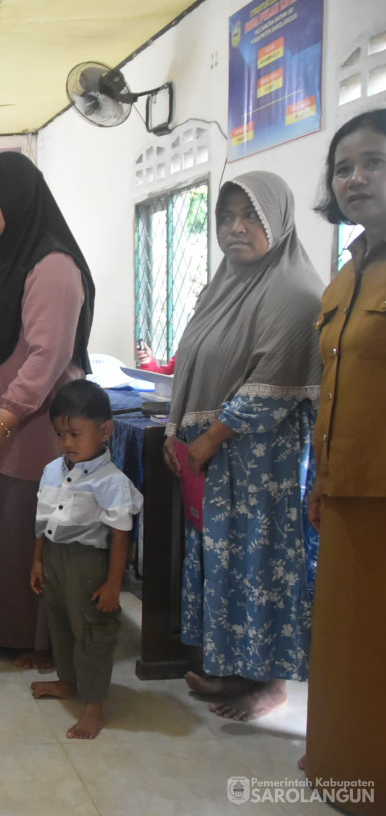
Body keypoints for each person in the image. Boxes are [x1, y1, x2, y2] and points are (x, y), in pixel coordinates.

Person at [162, 171, 322, 722]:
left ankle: (270, 684)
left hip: (259, 462)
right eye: (226, 217)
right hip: (215, 458)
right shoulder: (223, 283)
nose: (236, 228)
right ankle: (234, 670)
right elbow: (192, 358)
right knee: (225, 565)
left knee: (261, 562)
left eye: (249, 216)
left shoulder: (295, 293)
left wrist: (205, 439)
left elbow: (269, 386)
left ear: (277, 219)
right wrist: (173, 430)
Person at [0, 152, 96, 669]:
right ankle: (3, 629)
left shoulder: (52, 264)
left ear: (21, 196)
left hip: (37, 425)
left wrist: (5, 416)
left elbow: (50, 354)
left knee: (34, 531)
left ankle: (39, 643)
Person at [305, 108, 386, 811]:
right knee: (346, 651)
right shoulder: (347, 273)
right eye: (343, 167)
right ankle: (341, 767)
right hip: (345, 488)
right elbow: (331, 383)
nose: (355, 178)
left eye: (373, 163)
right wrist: (319, 479)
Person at [30, 380, 143, 739]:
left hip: (89, 565)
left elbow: (121, 536)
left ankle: (94, 705)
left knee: (92, 631)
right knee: (60, 624)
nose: (67, 443)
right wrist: (37, 561)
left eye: (75, 434)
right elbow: (42, 519)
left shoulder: (112, 481)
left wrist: (113, 584)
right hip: (54, 559)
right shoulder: (52, 470)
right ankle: (68, 682)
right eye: (60, 434)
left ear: (105, 431)